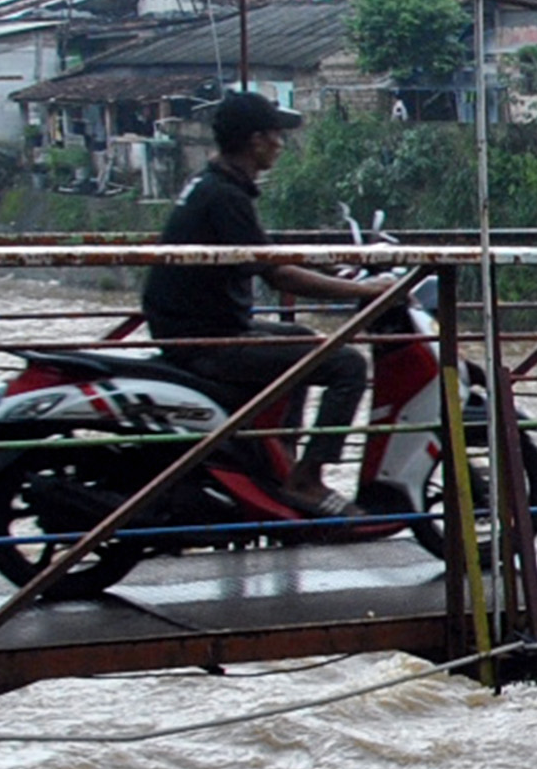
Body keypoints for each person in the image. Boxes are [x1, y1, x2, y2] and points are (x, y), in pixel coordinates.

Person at [142, 92, 382, 510]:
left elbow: (265, 254)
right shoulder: (226, 197)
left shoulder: (213, 184)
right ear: (255, 141)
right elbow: (277, 272)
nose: (281, 144)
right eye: (275, 135)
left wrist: (334, 270)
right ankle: (307, 479)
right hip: (208, 339)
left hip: (196, 327)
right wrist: (365, 291)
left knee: (302, 339)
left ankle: (283, 459)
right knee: (347, 365)